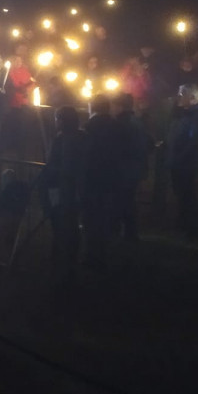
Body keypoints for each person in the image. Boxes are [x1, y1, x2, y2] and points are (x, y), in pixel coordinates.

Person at [40, 107, 87, 290]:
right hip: (73, 192)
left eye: (57, 118)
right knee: (69, 228)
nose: (55, 121)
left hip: (63, 191)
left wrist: (50, 169)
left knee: (63, 229)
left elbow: (66, 168)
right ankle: (66, 264)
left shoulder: (67, 139)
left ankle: (64, 270)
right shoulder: (81, 137)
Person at [166, 84, 198, 244]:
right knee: (182, 195)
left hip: (186, 164)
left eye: (182, 94)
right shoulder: (188, 114)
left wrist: (178, 158)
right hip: (180, 162)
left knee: (188, 195)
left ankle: (192, 229)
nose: (179, 97)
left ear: (192, 98)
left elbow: (194, 142)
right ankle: (184, 226)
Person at [82, 94, 123, 266]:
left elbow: (87, 151)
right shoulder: (116, 125)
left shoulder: (91, 125)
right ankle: (107, 248)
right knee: (106, 211)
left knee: (92, 215)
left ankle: (93, 253)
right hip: (111, 174)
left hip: (93, 175)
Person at [114, 93, 153, 244]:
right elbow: (149, 143)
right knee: (129, 200)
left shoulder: (121, 124)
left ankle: (125, 233)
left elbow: (118, 149)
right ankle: (130, 232)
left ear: (119, 106)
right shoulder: (137, 122)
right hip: (135, 168)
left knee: (122, 201)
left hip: (124, 169)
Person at [0, 169, 30, 267]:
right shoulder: (22, 188)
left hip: (7, 218)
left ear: (5, 179)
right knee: (5, 236)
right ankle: (5, 261)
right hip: (19, 219)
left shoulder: (6, 190)